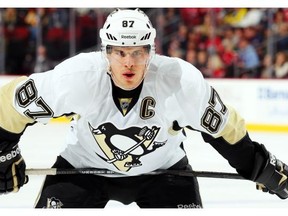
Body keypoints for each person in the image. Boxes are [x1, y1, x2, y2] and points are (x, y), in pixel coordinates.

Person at [0, 8, 287, 209]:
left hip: (163, 173)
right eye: (120, 53)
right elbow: (11, 104)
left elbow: (224, 129)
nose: (129, 63)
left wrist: (257, 164)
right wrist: (4, 153)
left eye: (138, 52)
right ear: (106, 52)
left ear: (151, 52)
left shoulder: (179, 80)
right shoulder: (76, 77)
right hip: (81, 170)